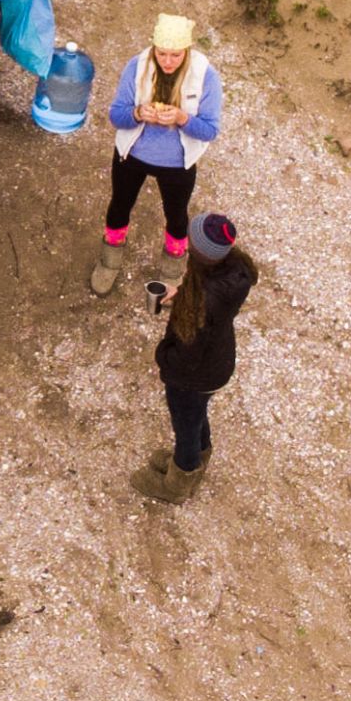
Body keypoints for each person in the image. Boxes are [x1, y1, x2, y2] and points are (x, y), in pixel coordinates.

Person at [135, 211, 257, 503]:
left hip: (194, 377)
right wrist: (181, 294)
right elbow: (209, 302)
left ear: (200, 254)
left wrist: (164, 356)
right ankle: (198, 457)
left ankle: (178, 481)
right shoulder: (235, 269)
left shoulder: (203, 302)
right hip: (218, 364)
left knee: (186, 425)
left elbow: (186, 356)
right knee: (196, 413)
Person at [105, 13, 224, 258]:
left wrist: (182, 119)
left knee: (177, 216)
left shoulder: (206, 75)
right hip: (131, 155)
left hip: (178, 164)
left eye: (176, 55)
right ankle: (110, 257)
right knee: (119, 206)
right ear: (153, 48)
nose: (167, 62)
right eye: (161, 54)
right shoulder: (137, 66)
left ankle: (173, 262)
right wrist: (137, 113)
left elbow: (210, 131)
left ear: (187, 51)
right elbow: (116, 116)